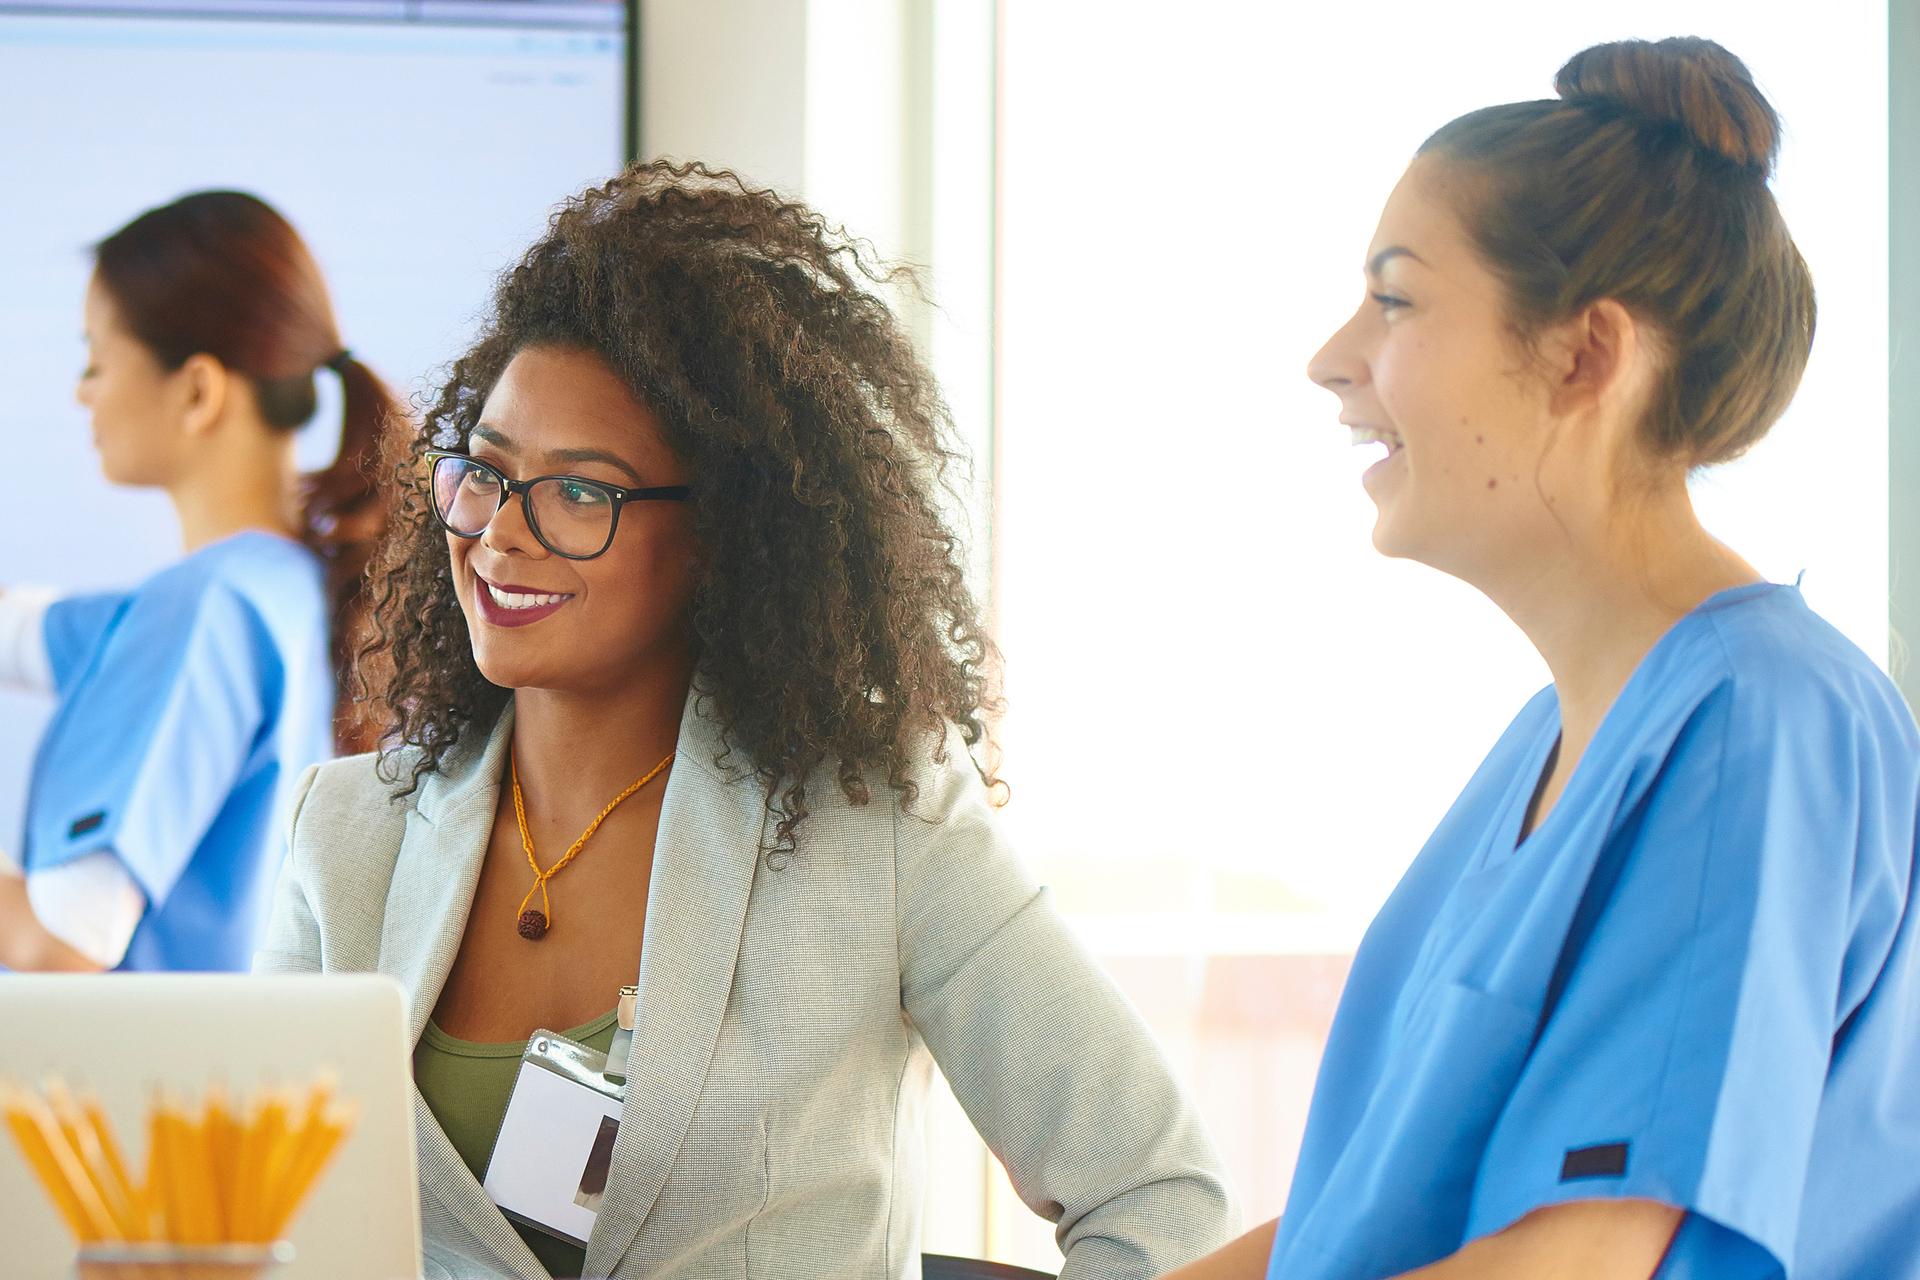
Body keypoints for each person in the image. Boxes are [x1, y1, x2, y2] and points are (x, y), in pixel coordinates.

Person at [256, 163, 1240, 1280]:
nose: (499, 535)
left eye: (582, 491)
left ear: (725, 536)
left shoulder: (880, 821)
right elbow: (265, 1222)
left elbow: (1165, 1197)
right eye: (484, 472)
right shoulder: (346, 831)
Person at [1164, 36, 1920, 1280]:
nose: (1331, 357)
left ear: (1584, 356)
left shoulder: (1766, 719)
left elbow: (1576, 1259)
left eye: (1395, 298)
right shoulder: (1557, 734)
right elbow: (1351, 1231)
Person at [0, 191, 397, 972]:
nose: (83, 392)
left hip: (130, 1085)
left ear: (196, 390)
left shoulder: (201, 610)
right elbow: (27, 631)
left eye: (95, 360)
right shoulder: (281, 588)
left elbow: (62, 945)